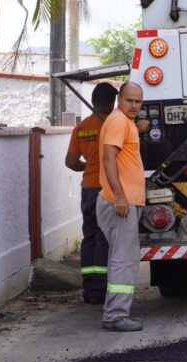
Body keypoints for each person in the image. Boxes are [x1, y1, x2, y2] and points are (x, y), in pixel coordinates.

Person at [97, 82, 146, 332]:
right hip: (118, 203)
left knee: (122, 257)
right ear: (119, 100)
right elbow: (108, 158)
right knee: (123, 260)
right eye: (130, 100)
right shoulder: (118, 121)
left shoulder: (124, 122)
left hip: (123, 202)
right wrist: (119, 196)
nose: (134, 105)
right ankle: (115, 315)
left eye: (138, 102)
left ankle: (116, 312)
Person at [65, 83, 118, 305]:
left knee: (89, 237)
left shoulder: (81, 127)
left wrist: (86, 168)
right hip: (105, 189)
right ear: (110, 102)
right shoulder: (112, 125)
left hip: (87, 189)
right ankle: (100, 289)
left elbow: (70, 162)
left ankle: (89, 289)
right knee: (104, 238)